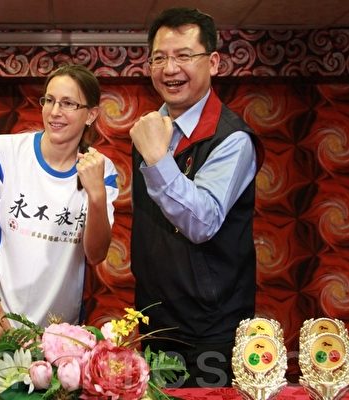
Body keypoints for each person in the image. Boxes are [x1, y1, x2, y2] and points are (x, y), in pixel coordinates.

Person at [129, 7, 264, 387]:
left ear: (213, 62)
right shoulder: (149, 129)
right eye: (159, 58)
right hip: (156, 320)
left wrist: (157, 159)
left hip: (212, 328)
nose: (170, 69)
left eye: (184, 56)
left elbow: (202, 223)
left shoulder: (232, 139)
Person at [0, 64, 119, 344]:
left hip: (62, 333)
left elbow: (96, 254)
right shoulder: (3, 152)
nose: (54, 112)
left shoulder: (102, 169)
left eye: (68, 103)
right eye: (49, 100)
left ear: (91, 114)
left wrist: (96, 195)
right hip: (2, 319)